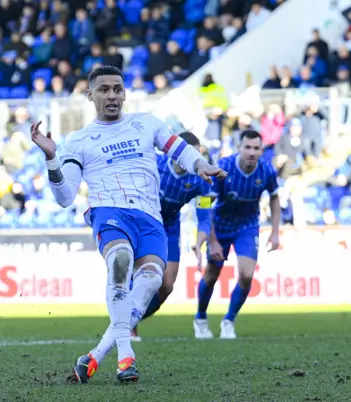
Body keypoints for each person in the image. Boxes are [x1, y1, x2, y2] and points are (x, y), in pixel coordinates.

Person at [30, 65, 226, 384]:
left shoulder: (145, 123)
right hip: (110, 211)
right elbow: (65, 197)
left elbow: (178, 147)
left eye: (118, 89)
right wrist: (51, 159)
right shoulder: (78, 141)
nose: (112, 95)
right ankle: (126, 357)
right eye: (104, 89)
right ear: (90, 94)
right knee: (120, 261)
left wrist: (201, 164)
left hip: (150, 218)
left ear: (125, 94)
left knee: (151, 282)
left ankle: (94, 356)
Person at [193, 129, 281, 340]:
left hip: (247, 226)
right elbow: (205, 203)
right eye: (247, 147)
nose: (251, 152)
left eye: (256, 148)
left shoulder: (267, 171)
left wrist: (276, 232)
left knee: (247, 275)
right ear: (239, 148)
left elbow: (275, 198)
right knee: (212, 275)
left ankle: (229, 320)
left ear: (262, 150)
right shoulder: (224, 167)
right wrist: (211, 240)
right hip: (220, 225)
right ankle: (201, 318)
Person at [130, 131, 215, 341]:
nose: (195, 160)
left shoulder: (200, 180)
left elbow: (204, 217)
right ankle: (128, 326)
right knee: (140, 275)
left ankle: (130, 319)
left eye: (198, 155)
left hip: (169, 228)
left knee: (166, 285)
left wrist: (199, 241)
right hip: (144, 223)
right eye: (191, 154)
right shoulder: (155, 164)